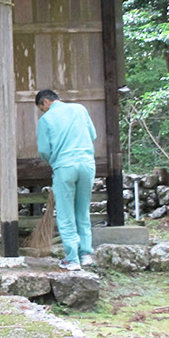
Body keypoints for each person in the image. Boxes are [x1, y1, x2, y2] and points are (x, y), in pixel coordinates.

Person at [35, 89, 97, 271]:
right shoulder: (79, 109)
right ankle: (85, 254)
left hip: (65, 166)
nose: (43, 112)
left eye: (42, 108)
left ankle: (72, 258)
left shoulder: (45, 120)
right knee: (83, 210)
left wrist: (54, 159)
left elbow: (45, 151)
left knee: (65, 213)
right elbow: (92, 135)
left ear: (46, 102)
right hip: (87, 164)